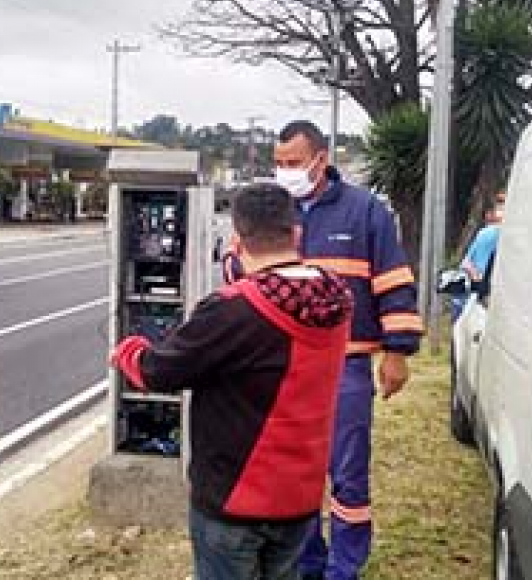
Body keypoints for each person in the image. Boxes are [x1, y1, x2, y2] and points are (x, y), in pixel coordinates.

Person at [110, 182, 353, 580]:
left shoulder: (233, 309)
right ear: (296, 234)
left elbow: (159, 371)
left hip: (235, 500)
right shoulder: (336, 299)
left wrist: (128, 351)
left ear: (237, 241)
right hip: (301, 495)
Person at [269, 121, 423, 580]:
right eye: (278, 164)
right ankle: (309, 562)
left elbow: (393, 281)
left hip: (346, 365)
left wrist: (397, 352)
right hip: (287, 365)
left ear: (321, 159)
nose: (284, 172)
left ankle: (344, 568)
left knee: (348, 472)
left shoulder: (364, 211)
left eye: (293, 163)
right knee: (297, 474)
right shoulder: (276, 211)